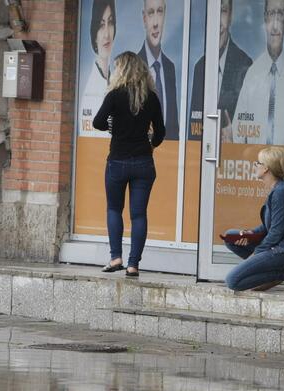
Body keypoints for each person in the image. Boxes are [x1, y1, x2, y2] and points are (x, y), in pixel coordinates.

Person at [93, 52, 165, 277]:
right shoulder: (151, 97)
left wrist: (114, 129)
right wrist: (150, 144)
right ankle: (133, 265)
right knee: (139, 214)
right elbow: (161, 132)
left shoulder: (115, 95)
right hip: (143, 162)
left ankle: (116, 258)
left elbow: (97, 122)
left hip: (117, 161)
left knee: (114, 209)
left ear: (120, 71)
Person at [223, 147, 284, 292]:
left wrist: (256, 253)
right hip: (279, 246)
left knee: (233, 281)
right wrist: (248, 234)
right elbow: (268, 227)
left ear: (266, 168)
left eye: (257, 163)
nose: (255, 166)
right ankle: (274, 270)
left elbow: (276, 232)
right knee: (230, 237)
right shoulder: (276, 189)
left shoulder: (281, 192)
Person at [229, 0, 284, 145]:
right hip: (255, 163)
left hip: (282, 165)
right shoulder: (252, 74)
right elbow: (237, 136)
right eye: (271, 13)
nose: (274, 25)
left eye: (280, 14)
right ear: (265, 19)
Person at [189, 0, 252, 139]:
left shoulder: (245, 65)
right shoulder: (200, 67)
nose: (217, 22)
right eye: (214, 13)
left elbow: (252, 127)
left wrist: (234, 137)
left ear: (230, 17)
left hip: (234, 156)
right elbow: (193, 128)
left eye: (223, 11)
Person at [137, 0, 179, 140]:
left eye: (159, 12)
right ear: (144, 19)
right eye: (150, 13)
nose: (155, 23)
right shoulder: (134, 67)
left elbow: (173, 126)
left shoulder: (169, 68)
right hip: (139, 152)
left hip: (168, 153)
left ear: (165, 15)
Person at [79, 0, 117, 137]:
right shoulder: (90, 91)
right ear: (94, 34)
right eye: (101, 25)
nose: (107, 34)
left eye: (110, 22)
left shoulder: (112, 80)